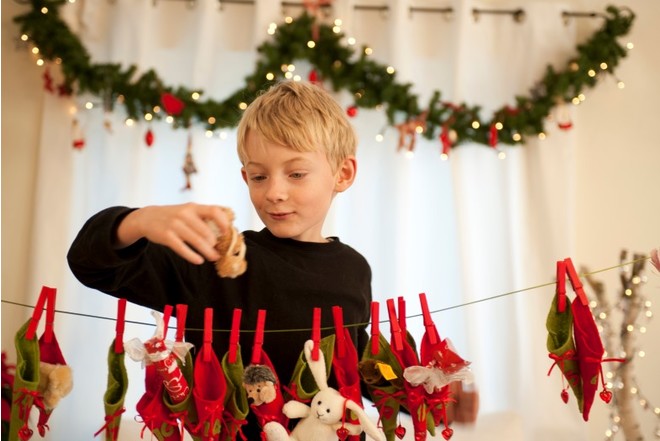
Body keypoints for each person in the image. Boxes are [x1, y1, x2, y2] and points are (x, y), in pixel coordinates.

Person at [67, 80, 478, 438]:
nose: (275, 192)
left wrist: (425, 395)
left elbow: (354, 369)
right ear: (245, 177)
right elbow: (90, 263)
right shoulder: (212, 259)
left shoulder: (353, 269)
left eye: (296, 174)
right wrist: (139, 221)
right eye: (259, 176)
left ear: (343, 174)